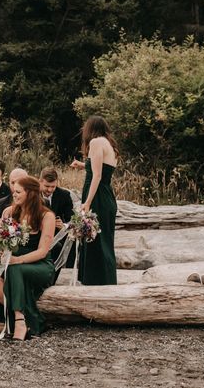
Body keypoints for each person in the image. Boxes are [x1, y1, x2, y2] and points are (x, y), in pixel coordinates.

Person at [0, 175, 56, 340]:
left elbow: (43, 251)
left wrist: (18, 260)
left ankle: (19, 320)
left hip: (40, 265)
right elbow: (2, 241)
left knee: (14, 268)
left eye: (18, 192)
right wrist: (4, 251)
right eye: (13, 192)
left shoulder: (47, 216)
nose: (14, 195)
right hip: (14, 265)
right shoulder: (9, 212)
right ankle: (32, 318)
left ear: (30, 194)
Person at [71, 115, 119, 285]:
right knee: (103, 241)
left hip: (98, 197)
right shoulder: (108, 144)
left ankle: (96, 282)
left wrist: (87, 202)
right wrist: (83, 165)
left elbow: (97, 175)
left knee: (95, 240)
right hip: (106, 196)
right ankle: (103, 281)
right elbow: (102, 168)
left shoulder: (96, 142)